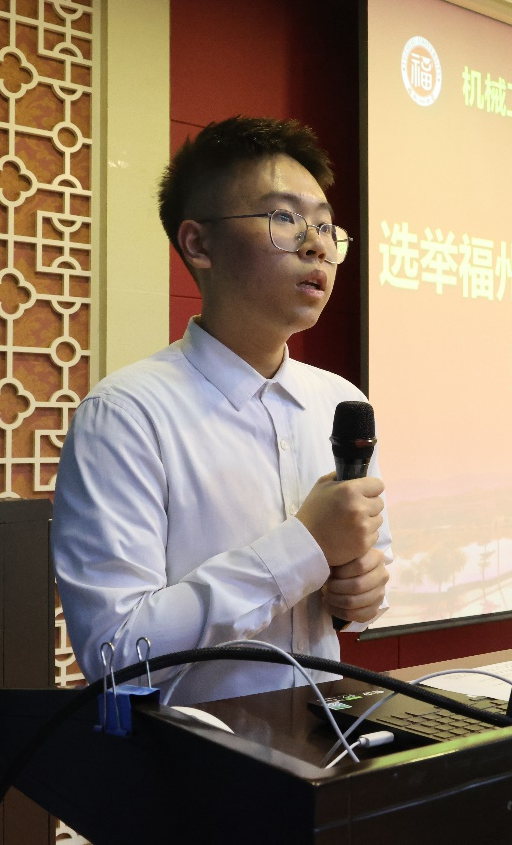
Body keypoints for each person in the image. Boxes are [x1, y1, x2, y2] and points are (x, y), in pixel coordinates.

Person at [52, 116, 391, 705]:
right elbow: (116, 653)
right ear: (198, 244)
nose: (316, 245)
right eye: (284, 218)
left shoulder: (341, 403)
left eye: (325, 226)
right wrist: (305, 546)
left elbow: (368, 569)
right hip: (190, 753)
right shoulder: (125, 416)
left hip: (324, 734)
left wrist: (363, 592)